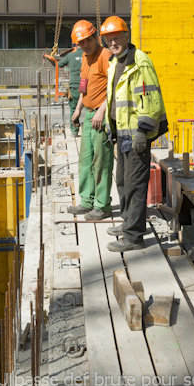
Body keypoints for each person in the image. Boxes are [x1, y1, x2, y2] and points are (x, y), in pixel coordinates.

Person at [101, 16, 168, 252]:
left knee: (135, 184)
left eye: (117, 38)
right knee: (122, 181)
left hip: (136, 135)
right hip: (123, 134)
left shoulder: (140, 62)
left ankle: (134, 236)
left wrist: (142, 131)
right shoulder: (114, 62)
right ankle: (129, 223)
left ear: (126, 36)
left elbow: (151, 100)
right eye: (109, 40)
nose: (113, 43)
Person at [68, 20, 114, 221]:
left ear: (96, 37)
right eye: (81, 42)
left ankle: (102, 205)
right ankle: (87, 201)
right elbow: (84, 86)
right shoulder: (85, 58)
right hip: (88, 113)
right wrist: (78, 109)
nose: (85, 45)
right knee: (85, 160)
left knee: (101, 161)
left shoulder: (106, 56)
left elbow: (115, 88)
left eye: (87, 40)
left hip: (100, 116)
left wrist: (101, 111)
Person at [56, 45, 83, 137]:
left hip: (74, 85)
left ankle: (74, 131)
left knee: (73, 109)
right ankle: (91, 130)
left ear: (76, 45)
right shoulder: (88, 54)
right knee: (90, 109)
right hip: (86, 85)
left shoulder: (71, 55)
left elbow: (59, 64)